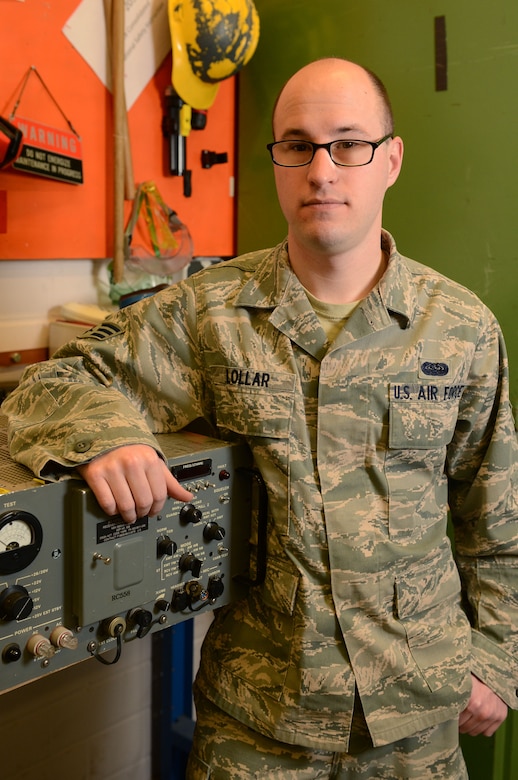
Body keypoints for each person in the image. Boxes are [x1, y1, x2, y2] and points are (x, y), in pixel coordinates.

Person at [3, 58, 518, 778]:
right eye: (297, 145)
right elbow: (55, 381)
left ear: (391, 158)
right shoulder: (210, 314)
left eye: (348, 143)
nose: (322, 169)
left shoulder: (460, 328)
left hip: (418, 720)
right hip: (261, 723)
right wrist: (107, 437)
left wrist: (497, 660)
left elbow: (496, 523)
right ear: (276, 160)